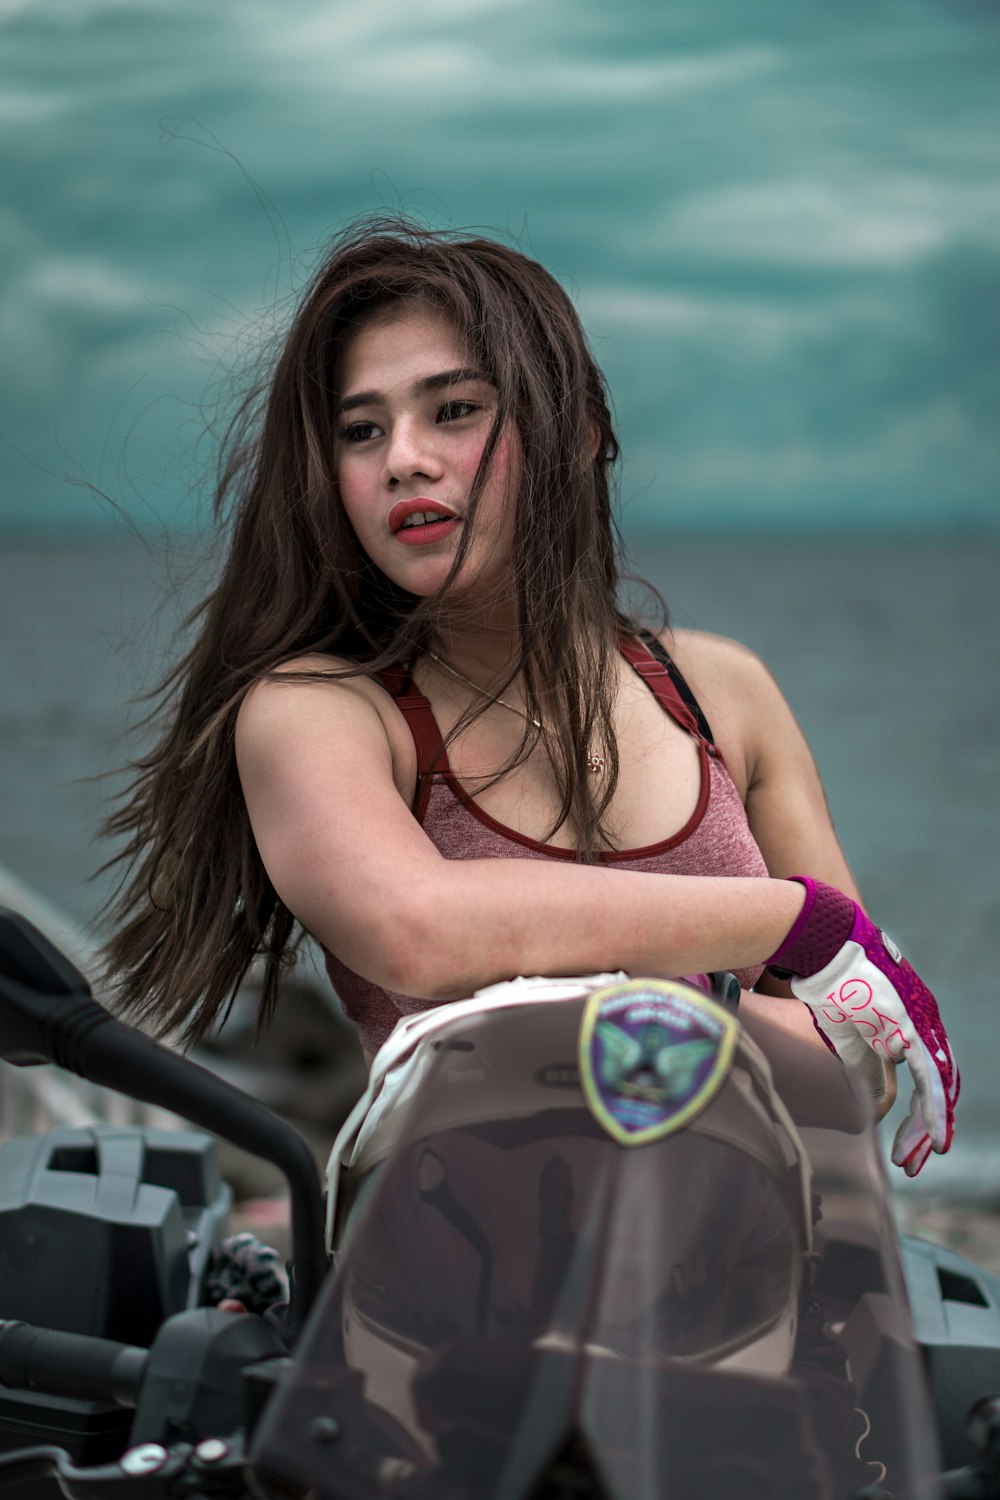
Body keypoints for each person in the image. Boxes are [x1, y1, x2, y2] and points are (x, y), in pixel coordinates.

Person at [102, 217, 958, 1176]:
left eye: (455, 410)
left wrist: (689, 1005)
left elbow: (857, 1069)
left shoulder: (719, 693)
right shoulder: (322, 712)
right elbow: (417, 929)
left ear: (581, 433)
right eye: (362, 429)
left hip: (739, 1278)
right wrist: (784, 924)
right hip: (458, 1283)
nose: (404, 459)